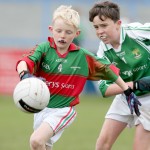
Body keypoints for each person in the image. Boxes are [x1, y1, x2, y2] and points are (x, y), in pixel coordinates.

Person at [16, 5, 140, 150]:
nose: (62, 36)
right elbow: (24, 62)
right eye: (59, 31)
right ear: (51, 30)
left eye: (68, 32)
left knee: (36, 140)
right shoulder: (43, 49)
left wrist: (127, 90)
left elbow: (110, 72)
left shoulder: (83, 56)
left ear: (77, 33)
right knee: (40, 146)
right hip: (41, 109)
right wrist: (25, 75)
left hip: (63, 110)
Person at [89, 1, 150, 150]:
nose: (100, 31)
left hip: (148, 99)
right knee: (102, 145)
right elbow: (104, 89)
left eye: (104, 26)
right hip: (126, 97)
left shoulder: (137, 32)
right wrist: (134, 85)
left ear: (118, 23)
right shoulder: (103, 51)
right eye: (96, 27)